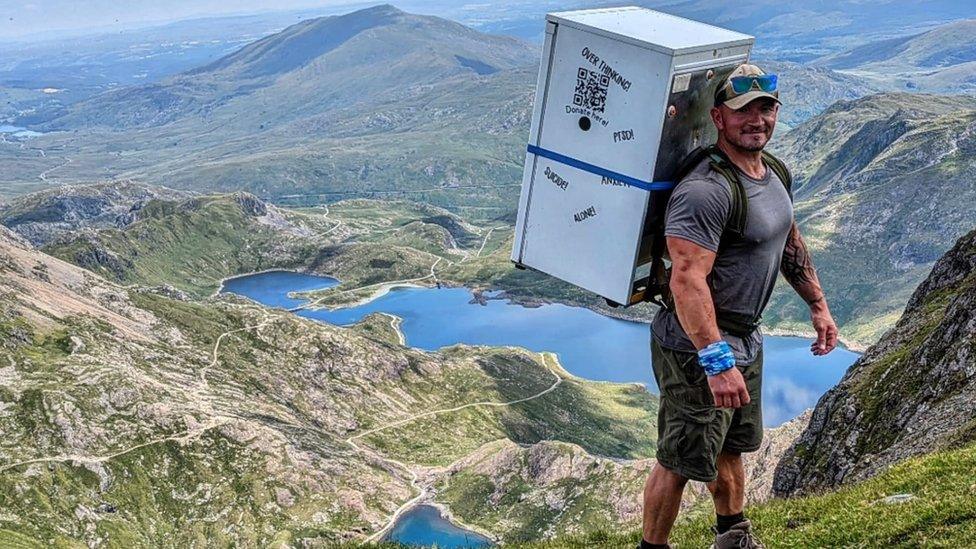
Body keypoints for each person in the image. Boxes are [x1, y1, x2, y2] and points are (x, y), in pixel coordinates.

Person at [640, 64, 839, 549]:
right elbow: (687, 279)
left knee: (731, 446)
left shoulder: (773, 172)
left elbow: (786, 236)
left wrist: (817, 303)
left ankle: (734, 538)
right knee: (681, 458)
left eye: (766, 108)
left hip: (745, 337)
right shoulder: (705, 190)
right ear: (718, 118)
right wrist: (716, 361)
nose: (757, 119)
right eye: (742, 110)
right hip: (697, 348)